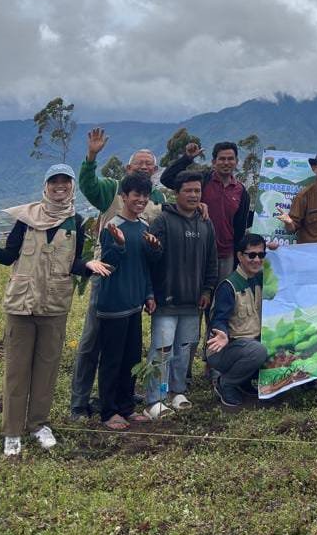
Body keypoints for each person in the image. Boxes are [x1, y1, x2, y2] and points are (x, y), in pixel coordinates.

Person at [0, 164, 109, 456]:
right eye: (54, 182)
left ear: (71, 187)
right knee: (17, 371)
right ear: (45, 186)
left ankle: (38, 425)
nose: (60, 187)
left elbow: (72, 264)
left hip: (55, 306)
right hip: (21, 305)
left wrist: (87, 266)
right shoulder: (26, 219)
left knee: (47, 369)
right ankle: (12, 431)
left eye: (65, 182)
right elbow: (9, 255)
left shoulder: (77, 221)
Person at [70, 127, 169, 421]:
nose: (144, 168)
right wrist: (91, 156)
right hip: (110, 291)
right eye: (139, 164)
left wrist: (149, 293)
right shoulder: (113, 199)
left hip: (135, 295)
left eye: (149, 166)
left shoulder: (152, 207)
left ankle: (124, 403)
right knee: (96, 348)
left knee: (129, 354)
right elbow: (87, 183)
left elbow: (147, 260)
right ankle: (90, 404)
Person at [144, 171, 218, 418]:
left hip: (192, 302)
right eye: (188, 190)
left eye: (197, 191)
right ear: (176, 194)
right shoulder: (163, 221)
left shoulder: (206, 223)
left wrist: (207, 289)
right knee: (162, 350)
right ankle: (156, 398)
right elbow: (150, 260)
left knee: (184, 349)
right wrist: (151, 293)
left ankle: (177, 392)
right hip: (166, 301)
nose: (194, 195)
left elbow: (211, 260)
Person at [94, 174, 160, 430]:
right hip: (113, 305)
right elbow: (107, 264)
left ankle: (126, 406)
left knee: (131, 359)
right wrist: (119, 244)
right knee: (112, 360)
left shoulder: (143, 226)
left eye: (145, 196)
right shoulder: (112, 226)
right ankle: (109, 411)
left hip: (134, 304)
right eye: (136, 195)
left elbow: (144, 267)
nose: (141, 200)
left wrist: (149, 295)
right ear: (124, 197)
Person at [161, 140, 249, 280]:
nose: (226, 162)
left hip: (226, 256)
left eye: (230, 159)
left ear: (236, 161)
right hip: (197, 252)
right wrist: (187, 158)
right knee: (197, 297)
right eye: (222, 159)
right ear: (214, 162)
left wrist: (238, 257)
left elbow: (239, 228)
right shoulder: (202, 181)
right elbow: (166, 179)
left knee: (221, 296)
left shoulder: (241, 191)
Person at [206, 233, 270, 408]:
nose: (257, 259)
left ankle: (243, 381)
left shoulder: (260, 279)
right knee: (258, 351)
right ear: (240, 256)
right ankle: (225, 383)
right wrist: (222, 335)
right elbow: (219, 319)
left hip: (250, 344)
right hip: (226, 348)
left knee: (281, 348)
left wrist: (279, 252)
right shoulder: (228, 286)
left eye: (261, 255)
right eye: (251, 255)